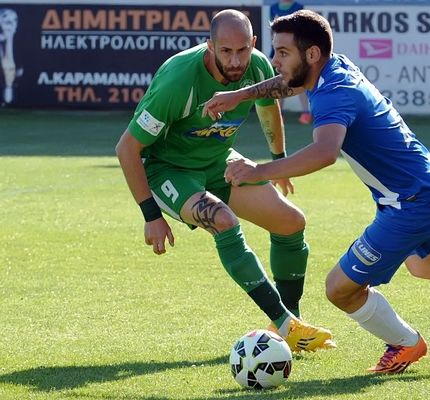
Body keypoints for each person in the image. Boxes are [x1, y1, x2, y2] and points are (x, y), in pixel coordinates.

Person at [202, 9, 430, 374]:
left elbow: (325, 152)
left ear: (312, 54)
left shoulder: (334, 93)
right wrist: (239, 96)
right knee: (427, 264)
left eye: (283, 52)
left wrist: (260, 170)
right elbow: (289, 83)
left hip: (410, 200)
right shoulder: (332, 69)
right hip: (422, 184)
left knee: (340, 288)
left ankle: (406, 344)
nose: (274, 61)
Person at [115, 9, 334, 353]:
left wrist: (279, 160)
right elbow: (127, 148)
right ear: (210, 46)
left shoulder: (258, 65)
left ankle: (291, 323)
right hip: (168, 170)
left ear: (254, 44)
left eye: (243, 50)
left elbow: (268, 105)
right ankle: (285, 323)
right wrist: (151, 216)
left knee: (291, 223)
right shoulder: (179, 80)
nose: (236, 60)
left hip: (218, 163)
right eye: (227, 51)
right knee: (223, 220)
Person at [269, 1, 312, 125]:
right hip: (280, 51)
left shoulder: (299, 7)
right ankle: (279, 114)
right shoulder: (273, 8)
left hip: (295, 52)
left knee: (300, 81)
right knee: (280, 81)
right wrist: (276, 49)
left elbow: (302, 30)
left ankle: (306, 112)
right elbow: (272, 31)